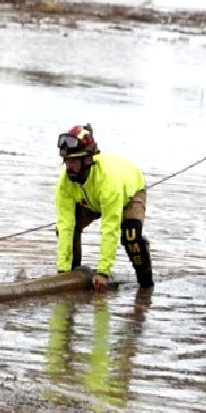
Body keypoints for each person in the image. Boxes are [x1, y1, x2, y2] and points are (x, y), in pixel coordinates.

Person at [55, 124, 152, 292]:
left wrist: (103, 273)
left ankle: (146, 286)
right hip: (91, 199)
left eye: (73, 160)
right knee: (68, 229)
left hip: (129, 193)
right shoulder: (65, 181)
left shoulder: (108, 181)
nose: (68, 166)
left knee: (131, 235)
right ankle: (71, 275)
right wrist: (61, 271)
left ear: (87, 160)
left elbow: (110, 228)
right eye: (66, 160)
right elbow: (65, 225)